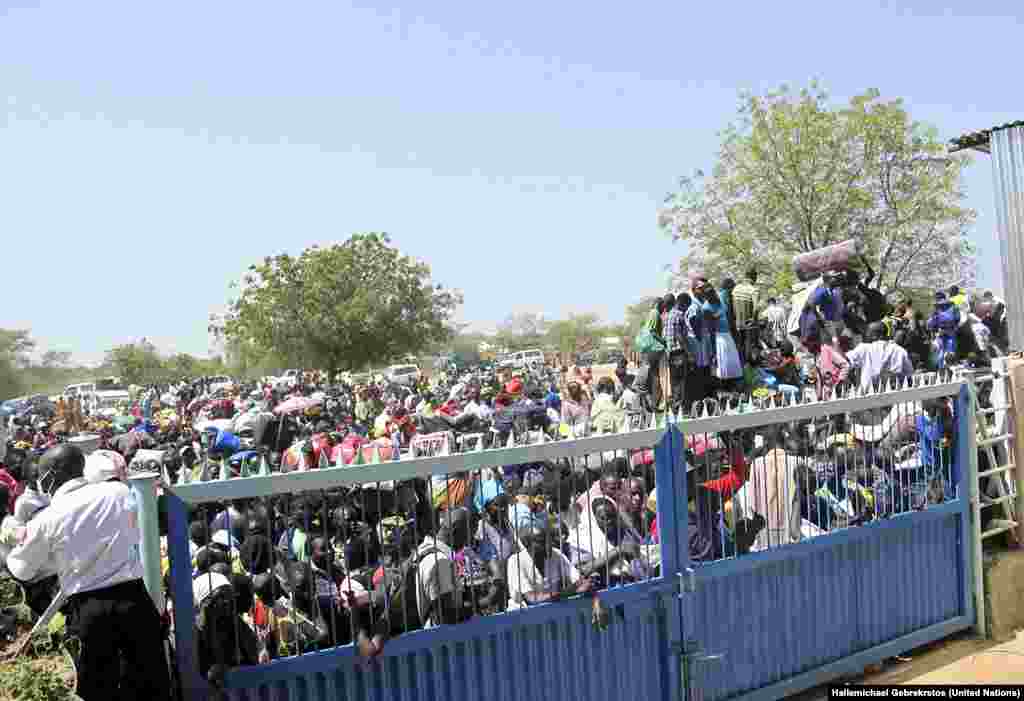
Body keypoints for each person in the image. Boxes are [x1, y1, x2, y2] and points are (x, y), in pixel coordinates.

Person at [6, 445, 170, 700]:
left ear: (50, 476)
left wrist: (21, 537)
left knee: (95, 689)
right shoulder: (118, 491)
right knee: (150, 684)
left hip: (90, 611)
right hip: (134, 601)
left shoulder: (49, 517)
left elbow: (22, 569)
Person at [506, 525, 590, 610]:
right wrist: (566, 593)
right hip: (522, 614)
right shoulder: (515, 561)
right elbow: (532, 599)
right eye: (541, 542)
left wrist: (586, 583)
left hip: (552, 608)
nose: (548, 545)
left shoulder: (555, 553)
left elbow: (579, 581)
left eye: (548, 540)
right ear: (527, 544)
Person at [845, 322, 913, 393]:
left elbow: (844, 361)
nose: (866, 335)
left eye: (868, 333)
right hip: (893, 395)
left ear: (875, 335)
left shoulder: (864, 348)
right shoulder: (900, 351)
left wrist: (853, 381)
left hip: (867, 396)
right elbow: (909, 376)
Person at [663, 292, 689, 413]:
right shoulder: (679, 314)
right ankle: (680, 407)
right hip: (679, 352)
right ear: (675, 302)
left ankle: (674, 405)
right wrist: (688, 352)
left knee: (674, 381)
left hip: (670, 353)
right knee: (681, 381)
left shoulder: (665, 316)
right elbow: (679, 335)